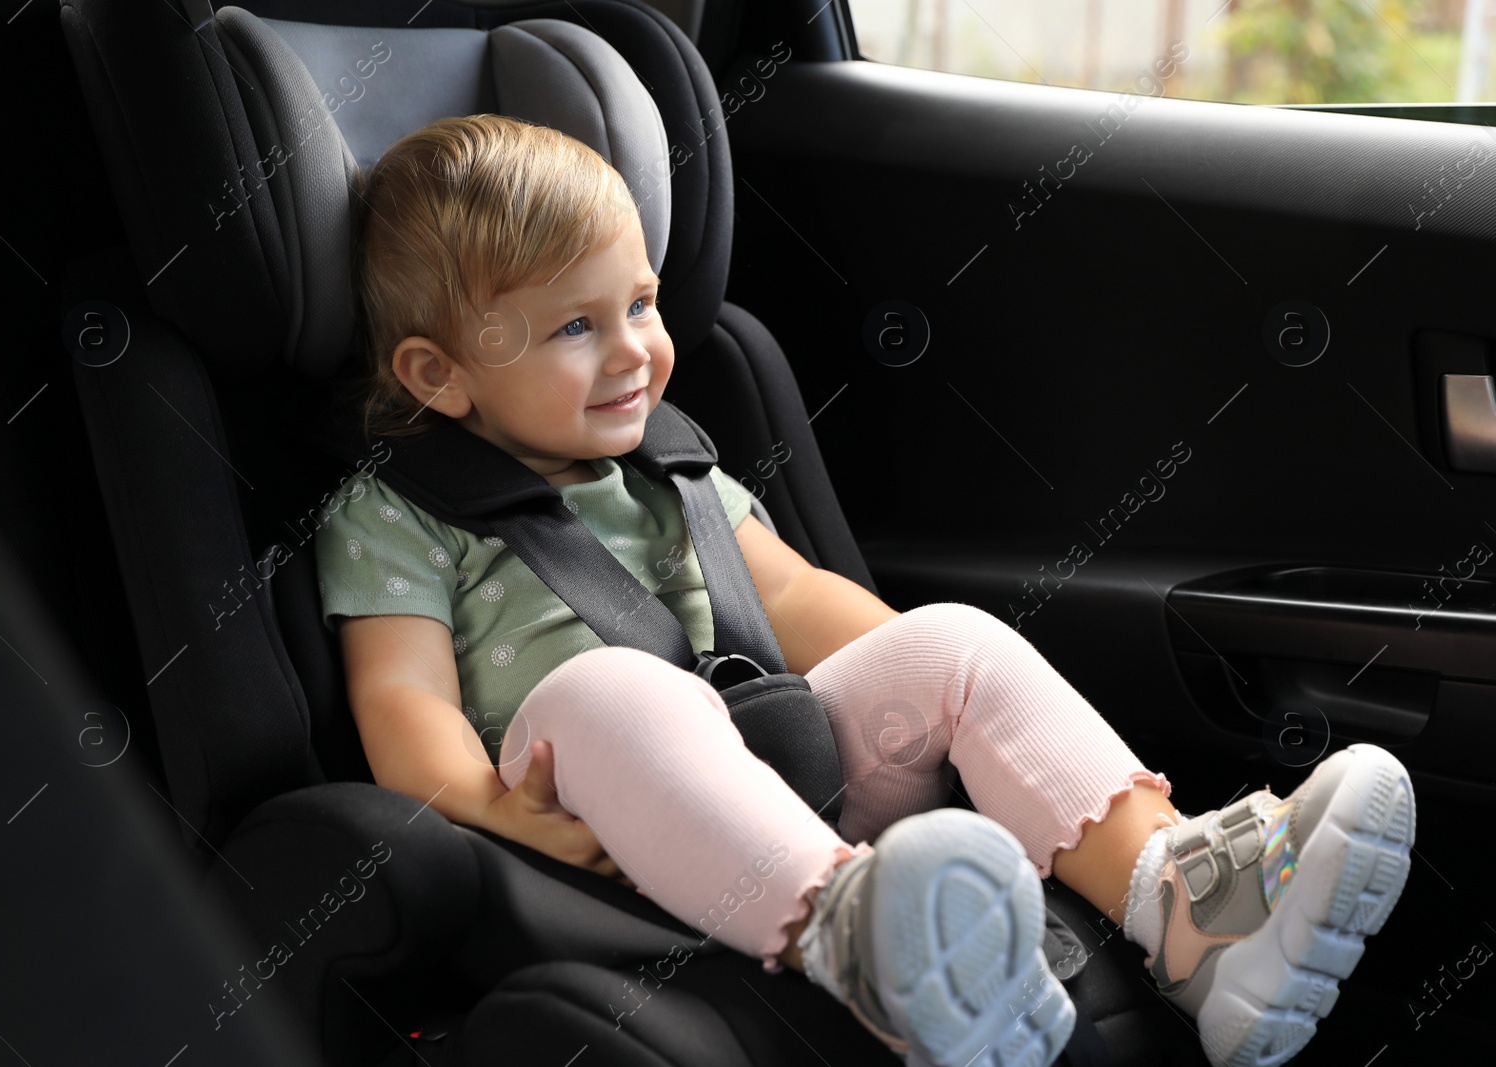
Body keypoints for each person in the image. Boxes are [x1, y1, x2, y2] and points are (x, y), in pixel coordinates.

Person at [314, 113, 1416, 1067]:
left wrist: (947, 713)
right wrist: (496, 808)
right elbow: (403, 704)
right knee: (613, 686)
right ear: (435, 373)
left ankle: (1192, 910)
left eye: (641, 303)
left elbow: (796, 597)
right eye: (573, 326)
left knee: (949, 637)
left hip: (773, 777)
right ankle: (873, 956)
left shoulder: (674, 462)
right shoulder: (397, 510)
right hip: (578, 828)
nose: (634, 353)